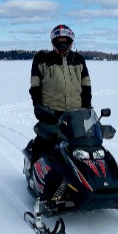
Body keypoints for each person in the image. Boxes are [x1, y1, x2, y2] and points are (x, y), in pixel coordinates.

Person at [27, 24, 92, 161]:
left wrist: (86, 107)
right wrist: (38, 106)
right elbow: (35, 86)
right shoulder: (42, 59)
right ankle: (33, 170)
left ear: (70, 41)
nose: (62, 43)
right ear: (54, 41)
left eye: (65, 40)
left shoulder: (79, 60)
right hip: (51, 113)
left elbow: (86, 84)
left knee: (82, 146)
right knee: (44, 142)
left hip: (75, 113)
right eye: (59, 40)